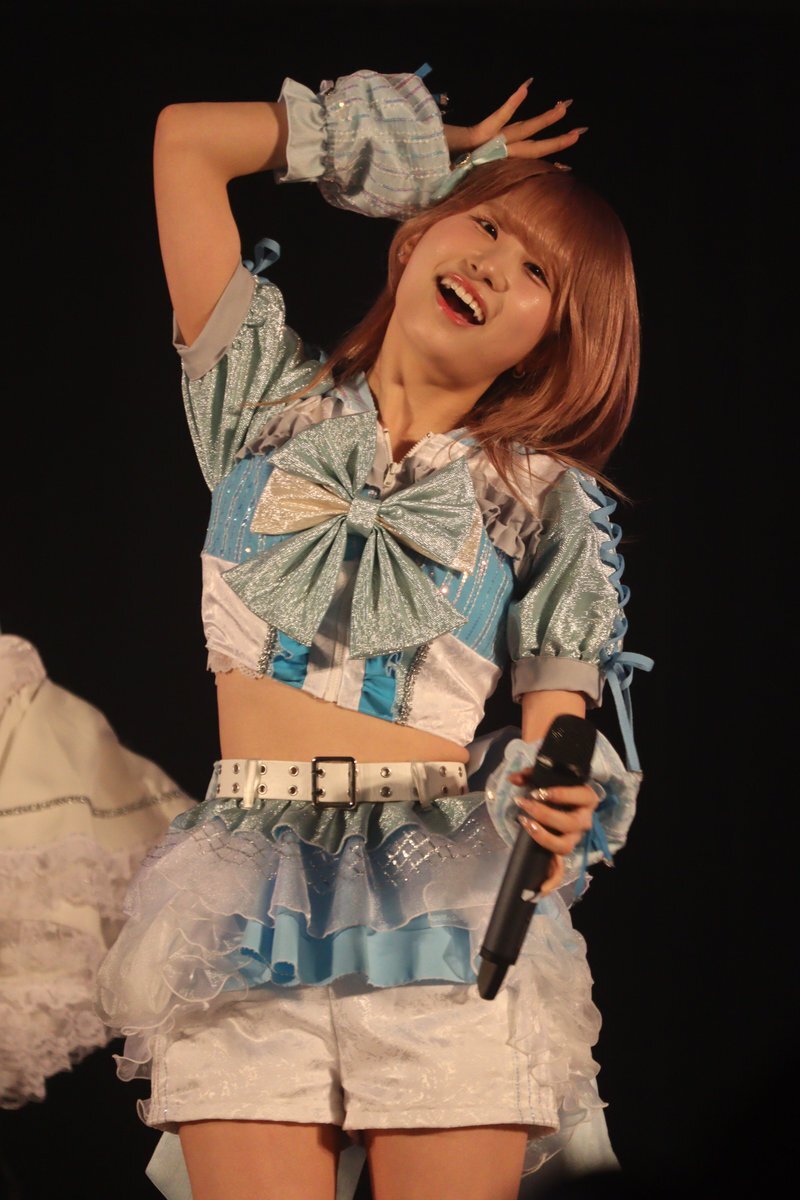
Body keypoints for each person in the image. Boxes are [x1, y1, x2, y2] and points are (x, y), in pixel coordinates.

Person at [95, 66, 651, 1200]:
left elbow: (559, 729)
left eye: (537, 273)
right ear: (416, 235)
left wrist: (559, 803)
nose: (493, 266)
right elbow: (187, 141)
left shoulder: (544, 500)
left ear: (551, 340)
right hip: (243, 891)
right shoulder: (259, 404)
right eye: (484, 226)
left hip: (441, 892)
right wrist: (427, 149)